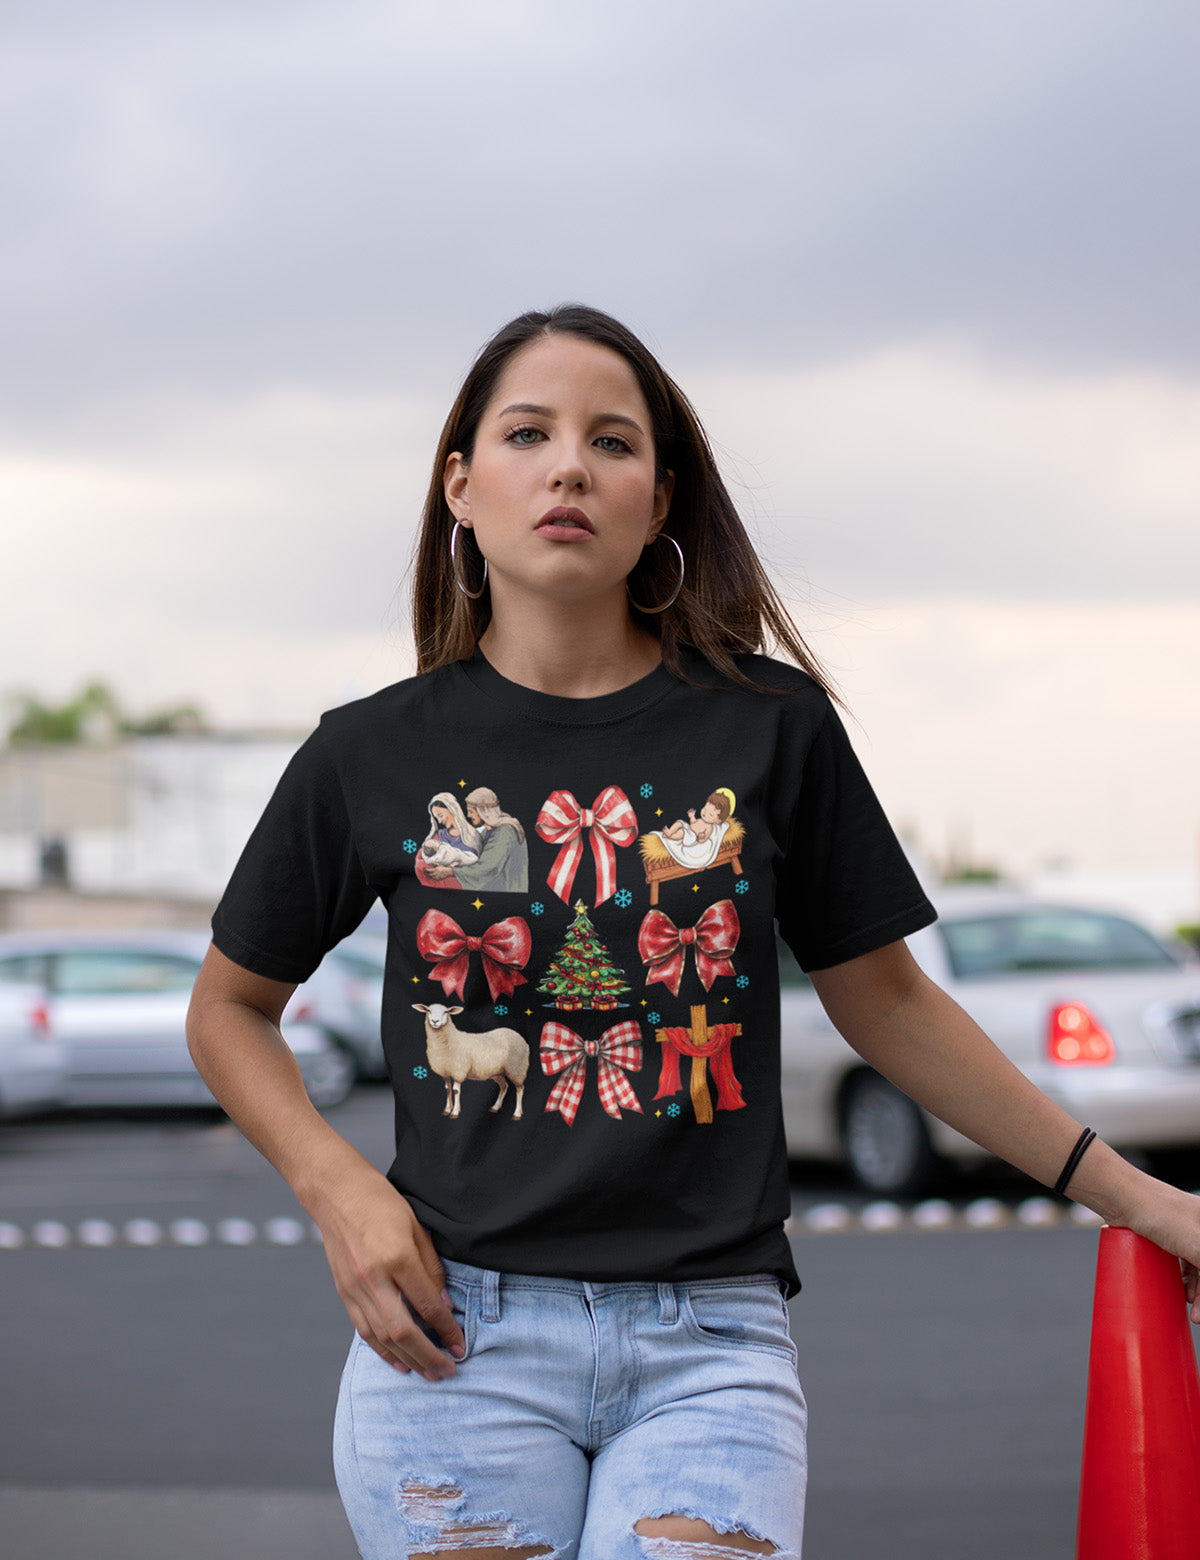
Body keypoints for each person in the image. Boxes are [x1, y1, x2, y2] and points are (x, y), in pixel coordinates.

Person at [187, 304, 1200, 1560]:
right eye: (527, 434)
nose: (569, 467)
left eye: (612, 442)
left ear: (659, 499)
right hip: (454, 1341)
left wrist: (1139, 1197)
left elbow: (891, 1004)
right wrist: (339, 1189)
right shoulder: (370, 752)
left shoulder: (770, 726)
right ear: (460, 485)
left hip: (711, 1347)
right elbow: (228, 1009)